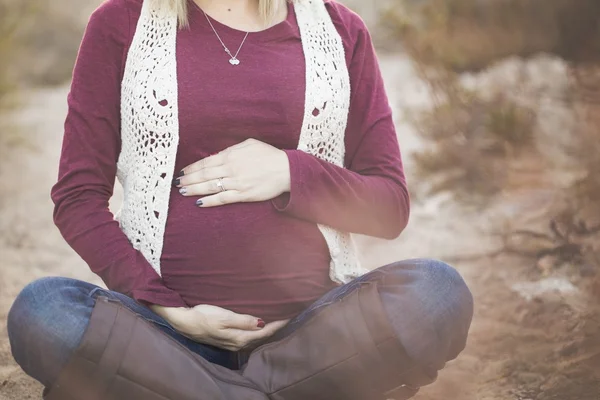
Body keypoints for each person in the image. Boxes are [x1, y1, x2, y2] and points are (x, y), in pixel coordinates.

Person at [6, 0, 474, 397]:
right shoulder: (120, 23)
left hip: (314, 329)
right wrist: (171, 311)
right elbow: (78, 196)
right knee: (43, 312)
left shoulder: (340, 30)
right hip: (165, 334)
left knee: (437, 292)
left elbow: (388, 206)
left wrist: (290, 171)